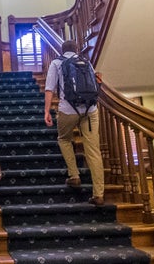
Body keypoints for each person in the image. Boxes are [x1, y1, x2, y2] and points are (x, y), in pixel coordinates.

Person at [44, 39, 105, 206]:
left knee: (64, 139)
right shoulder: (86, 62)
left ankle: (74, 176)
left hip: (68, 110)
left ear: (62, 50)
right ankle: (99, 194)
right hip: (90, 110)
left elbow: (49, 88)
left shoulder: (56, 62)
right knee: (93, 150)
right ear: (77, 50)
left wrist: (47, 111)